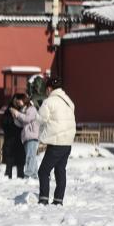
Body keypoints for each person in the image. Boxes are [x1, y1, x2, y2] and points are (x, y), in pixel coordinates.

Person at [37, 77, 76, 206]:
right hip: (67, 142)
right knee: (60, 170)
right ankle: (58, 200)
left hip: (56, 142)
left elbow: (40, 119)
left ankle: (43, 199)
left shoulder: (49, 102)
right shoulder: (68, 101)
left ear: (49, 89)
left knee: (43, 171)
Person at [11, 95, 40, 178]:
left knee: (30, 156)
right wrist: (15, 117)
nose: (18, 103)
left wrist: (18, 114)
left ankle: (28, 174)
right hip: (26, 136)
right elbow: (21, 124)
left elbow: (27, 119)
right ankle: (34, 174)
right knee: (31, 156)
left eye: (19, 101)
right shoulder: (23, 110)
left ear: (24, 100)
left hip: (32, 135)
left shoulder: (32, 109)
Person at [1, 95, 25, 179]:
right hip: (10, 138)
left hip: (19, 138)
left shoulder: (22, 111)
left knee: (20, 159)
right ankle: (8, 176)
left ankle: (21, 176)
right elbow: (4, 124)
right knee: (9, 160)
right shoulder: (8, 111)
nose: (16, 102)